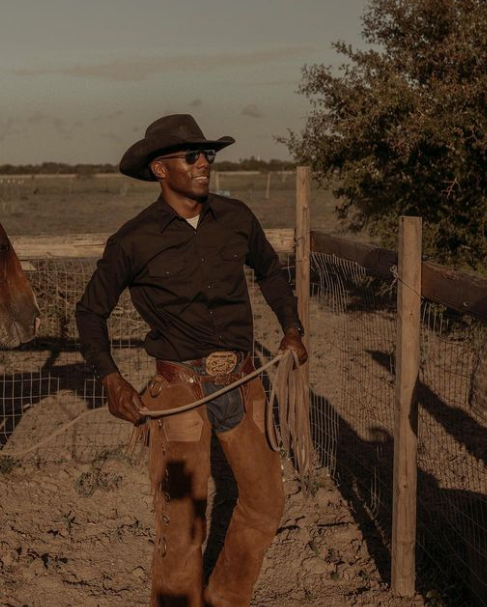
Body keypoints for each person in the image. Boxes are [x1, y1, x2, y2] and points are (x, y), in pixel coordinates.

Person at [75, 114, 308, 607]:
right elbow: (90, 311)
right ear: (161, 169)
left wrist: (291, 328)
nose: (205, 164)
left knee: (266, 502)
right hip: (179, 393)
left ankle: (226, 597)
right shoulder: (132, 241)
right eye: (193, 156)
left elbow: (269, 272)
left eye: (208, 156)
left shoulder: (238, 218)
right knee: (182, 527)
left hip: (243, 384)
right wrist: (111, 380)